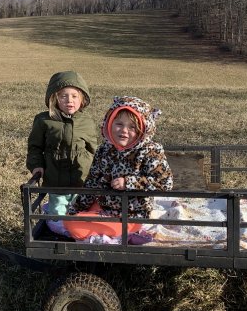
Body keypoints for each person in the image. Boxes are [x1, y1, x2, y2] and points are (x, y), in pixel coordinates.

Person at [64, 96, 175, 240]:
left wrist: (129, 183)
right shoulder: (104, 149)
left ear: (143, 129)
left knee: (76, 227)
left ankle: (119, 229)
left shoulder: (150, 151)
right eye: (119, 124)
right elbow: (92, 182)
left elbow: (165, 183)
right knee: (69, 218)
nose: (124, 130)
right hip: (105, 206)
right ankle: (86, 218)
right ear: (109, 123)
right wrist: (77, 208)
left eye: (132, 127)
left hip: (131, 214)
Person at [26, 71, 97, 216]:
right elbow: (35, 147)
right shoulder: (44, 120)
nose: (69, 100)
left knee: (80, 213)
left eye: (74, 96)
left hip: (81, 180)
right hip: (55, 180)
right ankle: (56, 227)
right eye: (64, 96)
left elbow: (93, 149)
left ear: (82, 99)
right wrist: (36, 165)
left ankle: (76, 229)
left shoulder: (87, 122)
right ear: (55, 98)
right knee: (57, 215)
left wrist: (97, 171)